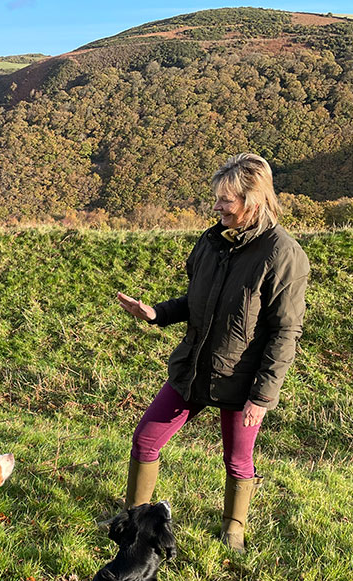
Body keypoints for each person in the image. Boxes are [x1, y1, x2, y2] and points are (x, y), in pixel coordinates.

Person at [116, 153, 309, 552]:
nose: (217, 206)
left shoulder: (283, 255)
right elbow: (197, 300)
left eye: (226, 199)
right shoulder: (210, 242)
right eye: (217, 198)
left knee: (238, 462)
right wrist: (156, 313)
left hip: (242, 383)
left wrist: (262, 396)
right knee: (145, 440)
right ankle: (135, 524)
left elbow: (285, 331)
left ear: (253, 201)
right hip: (193, 369)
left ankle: (233, 531)